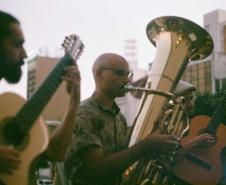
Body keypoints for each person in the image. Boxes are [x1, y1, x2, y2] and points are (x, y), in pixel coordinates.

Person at [64, 53, 178, 185]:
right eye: (120, 73)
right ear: (100, 75)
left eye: (128, 75)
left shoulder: (120, 117)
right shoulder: (83, 113)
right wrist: (147, 145)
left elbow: (124, 159)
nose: (127, 80)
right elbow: (97, 169)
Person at [0, 10, 80, 174]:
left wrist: (74, 100)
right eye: (17, 44)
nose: (23, 55)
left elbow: (56, 152)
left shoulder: (9, 107)